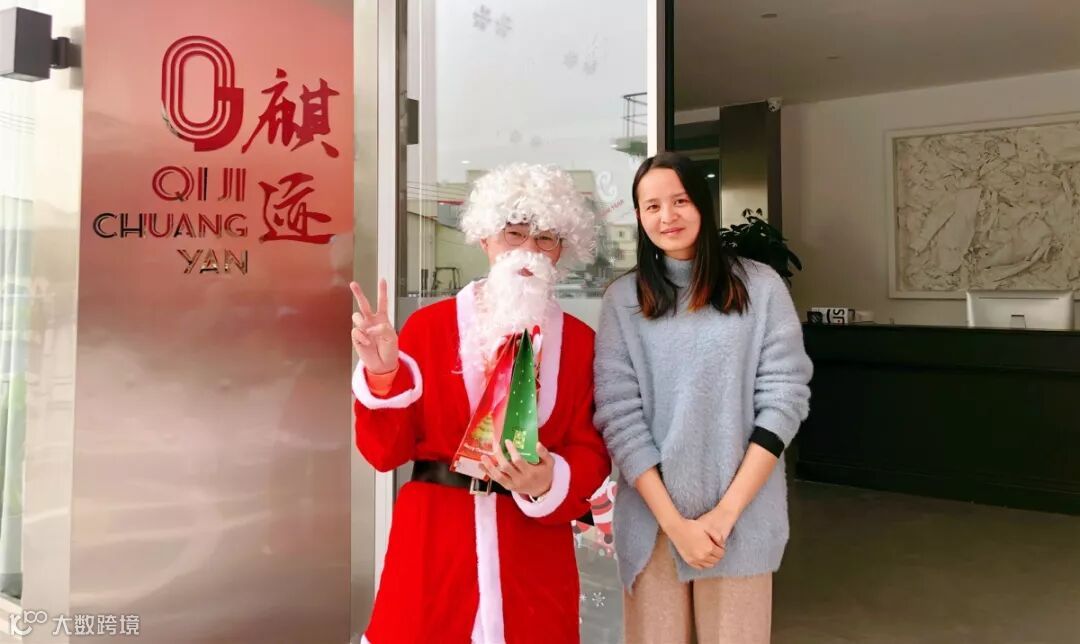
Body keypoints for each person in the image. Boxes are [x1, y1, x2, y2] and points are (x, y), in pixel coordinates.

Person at [350, 163, 611, 644]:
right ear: (485, 238)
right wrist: (383, 376)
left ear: (563, 250)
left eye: (546, 239)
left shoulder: (580, 343)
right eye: (514, 234)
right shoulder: (428, 328)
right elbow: (384, 453)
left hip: (532, 557)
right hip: (433, 548)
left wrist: (550, 480)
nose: (529, 251)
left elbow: (591, 451)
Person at [593, 151, 812, 643]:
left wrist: (724, 516)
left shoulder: (760, 287)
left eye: (680, 201)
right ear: (638, 216)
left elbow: (784, 398)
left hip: (741, 522)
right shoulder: (622, 300)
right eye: (652, 206)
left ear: (703, 205)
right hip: (652, 525)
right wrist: (676, 525)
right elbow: (618, 416)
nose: (666, 217)